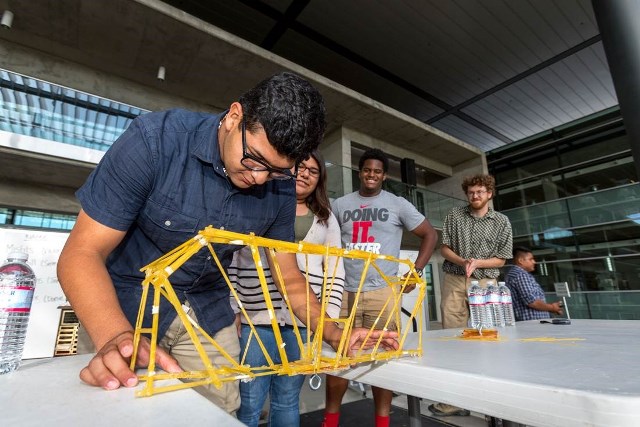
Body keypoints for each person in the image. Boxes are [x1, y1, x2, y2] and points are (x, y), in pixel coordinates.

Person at [56, 72, 397, 415]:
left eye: (278, 171)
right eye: (255, 161)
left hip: (208, 310)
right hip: (127, 307)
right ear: (235, 117)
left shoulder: (279, 185)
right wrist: (114, 335)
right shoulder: (154, 142)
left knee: (219, 413)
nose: (259, 179)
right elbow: (82, 253)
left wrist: (335, 334)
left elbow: (289, 278)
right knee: (118, 411)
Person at [323, 148, 438, 427]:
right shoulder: (340, 205)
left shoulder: (397, 203)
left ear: (383, 175)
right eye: (366, 170)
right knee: (338, 358)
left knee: (382, 358)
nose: (371, 175)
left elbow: (430, 234)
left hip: (382, 292)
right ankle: (330, 420)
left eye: (377, 171)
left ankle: (382, 422)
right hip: (344, 291)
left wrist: (416, 271)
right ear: (359, 172)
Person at [230, 150, 345, 427]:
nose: (305, 173)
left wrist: (325, 321)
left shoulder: (326, 218)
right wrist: (233, 308)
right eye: (300, 167)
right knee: (249, 401)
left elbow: (335, 270)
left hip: (302, 322)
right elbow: (232, 259)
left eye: (313, 171)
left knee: (286, 399)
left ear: (320, 180)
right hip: (256, 320)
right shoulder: (254, 204)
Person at [428, 173, 512, 418]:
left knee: (487, 338)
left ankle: (491, 401)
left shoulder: (502, 221)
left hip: (486, 282)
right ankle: (453, 401)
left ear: (489, 194)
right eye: (471, 192)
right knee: (453, 337)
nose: (475, 196)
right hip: (454, 278)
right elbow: (444, 248)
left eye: (480, 192)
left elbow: (502, 257)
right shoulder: (455, 215)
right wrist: (464, 261)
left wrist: (477, 263)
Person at [505, 247, 563, 321]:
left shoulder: (517, 274)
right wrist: (552, 307)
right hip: (533, 324)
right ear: (521, 261)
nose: (534, 262)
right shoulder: (520, 275)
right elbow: (531, 301)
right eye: (531, 259)